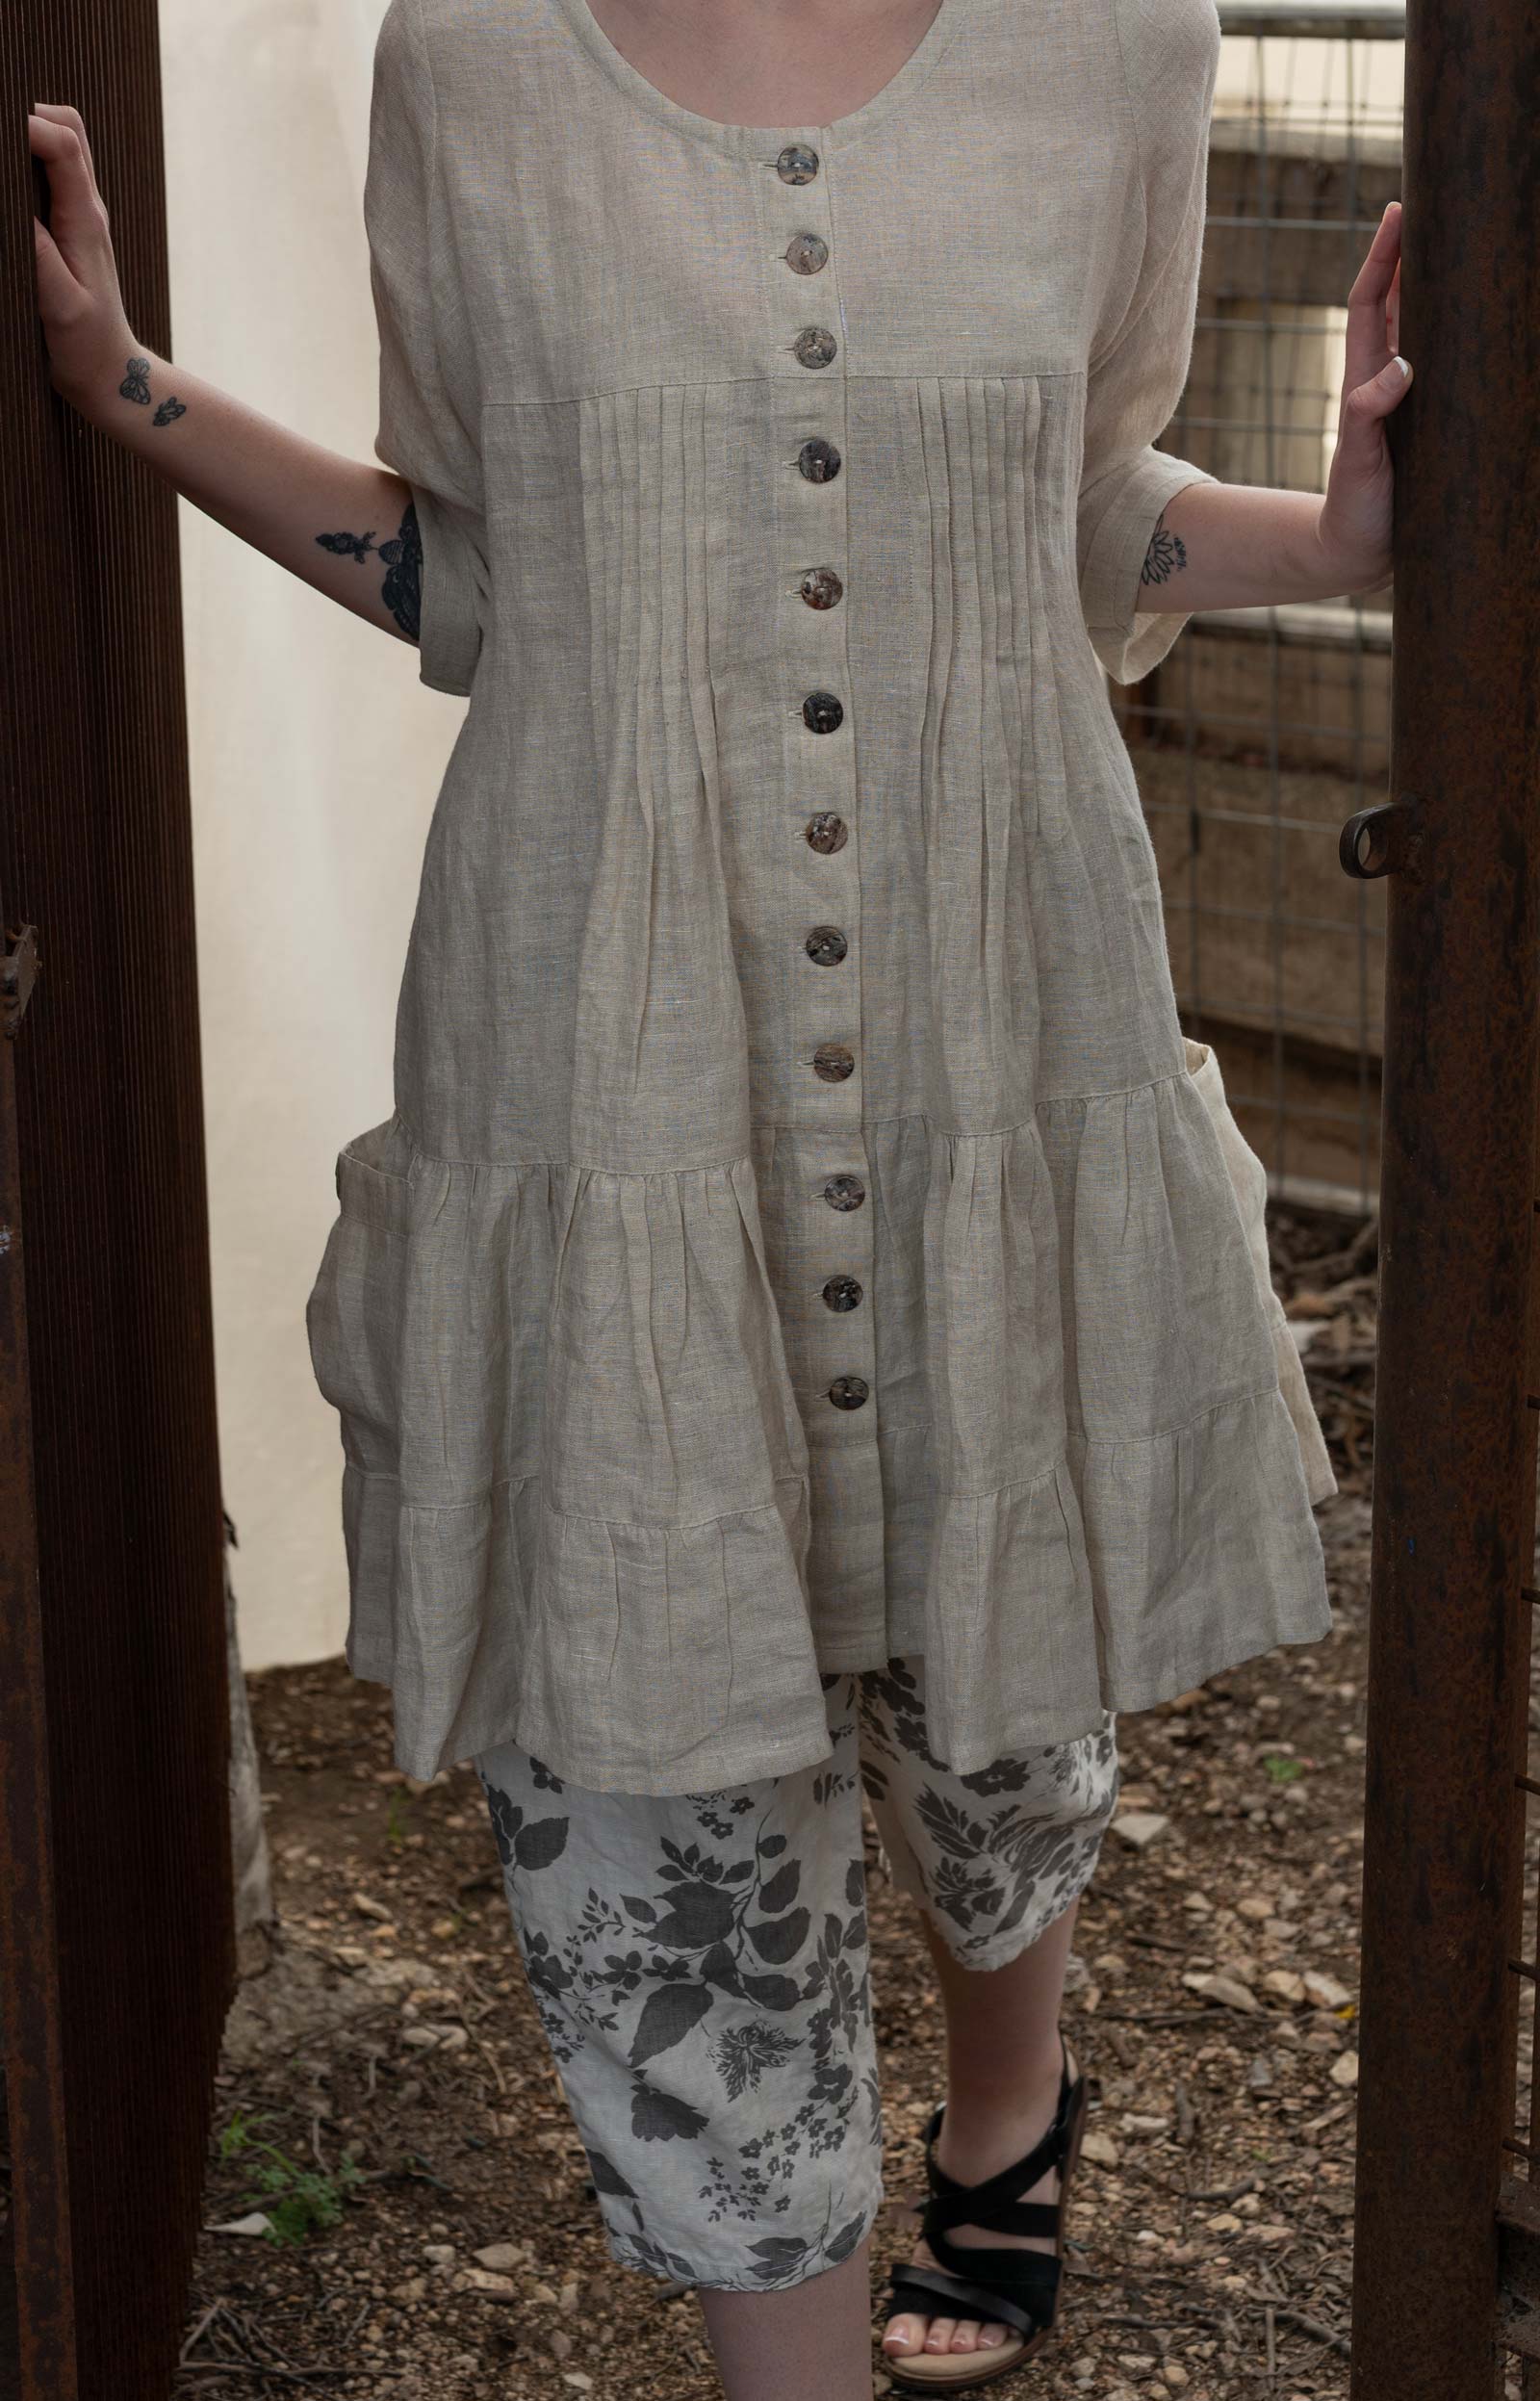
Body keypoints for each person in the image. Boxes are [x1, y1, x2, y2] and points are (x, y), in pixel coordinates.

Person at [28, 3, 1406, 2389]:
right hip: (609, 1056)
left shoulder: (1117, 43)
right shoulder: (469, 60)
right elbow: (475, 565)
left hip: (997, 1011)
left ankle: (1007, 2103)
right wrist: (126, 387)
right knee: (649, 1776)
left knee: (996, 1711)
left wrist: (1333, 538)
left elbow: (1084, 507)